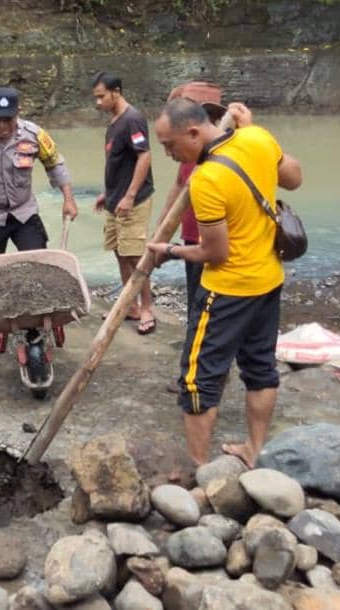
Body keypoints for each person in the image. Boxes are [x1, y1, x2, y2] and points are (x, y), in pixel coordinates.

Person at [147, 98, 303, 468]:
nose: (168, 154)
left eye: (170, 145)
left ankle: (201, 469)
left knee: (199, 379)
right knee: (260, 368)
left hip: (228, 291)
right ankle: (254, 449)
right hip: (269, 279)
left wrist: (170, 250)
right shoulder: (257, 138)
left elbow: (214, 254)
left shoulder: (207, 180)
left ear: (194, 132)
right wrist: (251, 129)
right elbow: (294, 178)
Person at [0, 86, 78, 347]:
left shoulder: (33, 134)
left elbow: (55, 163)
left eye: (9, 119)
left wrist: (68, 198)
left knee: (39, 266)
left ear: (17, 114)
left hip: (23, 212)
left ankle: (37, 319)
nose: (4, 126)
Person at [155, 82, 228, 393]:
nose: (169, 152)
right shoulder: (187, 150)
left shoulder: (222, 153)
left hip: (210, 246)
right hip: (190, 239)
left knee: (207, 314)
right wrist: (162, 230)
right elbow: (176, 186)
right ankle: (194, 373)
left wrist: (169, 248)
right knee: (195, 309)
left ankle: (200, 379)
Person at [91, 72, 157, 335]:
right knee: (120, 252)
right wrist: (108, 193)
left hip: (134, 201)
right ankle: (130, 306)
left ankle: (147, 308)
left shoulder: (133, 119)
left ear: (116, 91)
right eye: (95, 97)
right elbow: (118, 162)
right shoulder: (115, 121)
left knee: (135, 256)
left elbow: (144, 157)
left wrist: (129, 196)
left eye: (101, 96)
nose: (98, 102)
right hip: (115, 200)